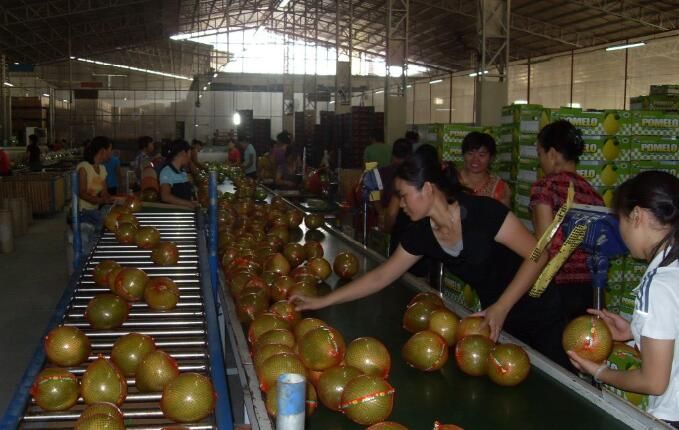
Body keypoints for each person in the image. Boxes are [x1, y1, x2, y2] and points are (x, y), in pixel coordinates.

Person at [292, 150, 571, 368]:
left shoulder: (483, 213)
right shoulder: (422, 234)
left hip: (540, 311)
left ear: (427, 188)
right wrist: (322, 300)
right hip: (499, 319)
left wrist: (503, 305)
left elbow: (539, 254)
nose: (400, 204)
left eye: (403, 195)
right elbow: (381, 276)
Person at [568, 171, 679, 428]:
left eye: (620, 219)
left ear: (636, 215)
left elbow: (654, 381)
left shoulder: (658, 284)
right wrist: (633, 331)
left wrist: (600, 372)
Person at [530, 120, 604, 321]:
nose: (540, 161)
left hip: (554, 288)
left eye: (540, 154)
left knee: (549, 350)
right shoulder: (593, 194)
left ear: (552, 154)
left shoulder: (545, 187)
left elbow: (544, 244)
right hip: (590, 289)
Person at [458, 132, 512, 207]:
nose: (475, 160)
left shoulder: (500, 187)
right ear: (463, 155)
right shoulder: (451, 181)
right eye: (470, 153)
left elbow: (503, 217)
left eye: (481, 155)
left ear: (491, 158)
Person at [374, 138, 412, 231]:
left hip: (386, 220)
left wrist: (381, 213)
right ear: (410, 155)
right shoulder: (412, 174)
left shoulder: (380, 172)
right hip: (408, 222)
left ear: (392, 154)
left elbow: (375, 197)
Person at [159, 139, 198, 209]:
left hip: (185, 212)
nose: (189, 158)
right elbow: (165, 196)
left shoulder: (182, 172)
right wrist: (189, 204)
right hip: (175, 215)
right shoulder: (167, 172)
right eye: (189, 154)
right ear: (183, 153)